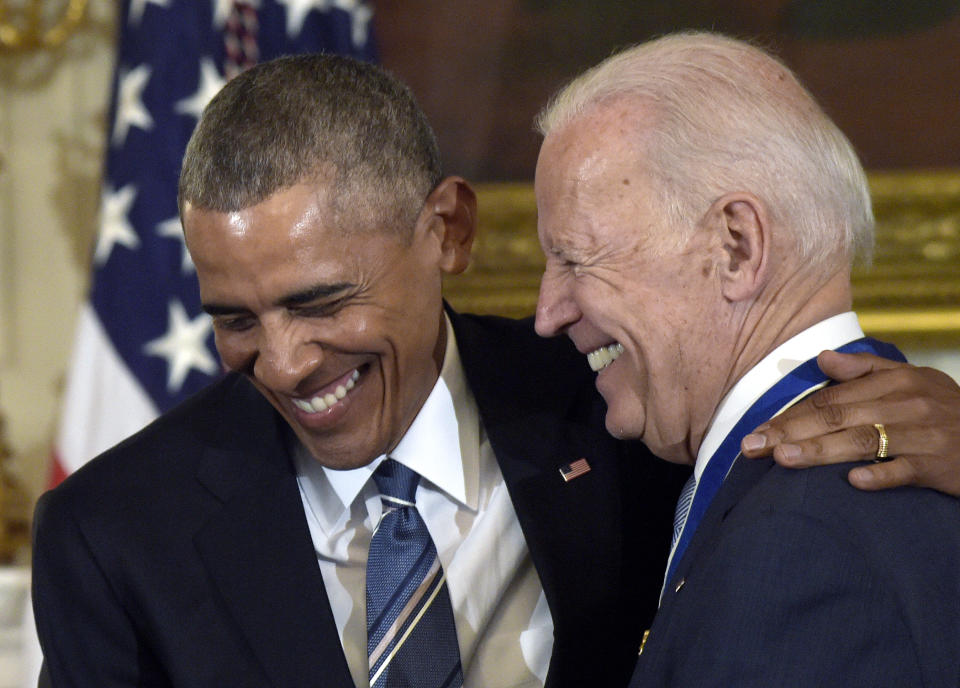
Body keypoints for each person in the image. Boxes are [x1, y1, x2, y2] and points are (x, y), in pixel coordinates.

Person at [31, 52, 960, 688]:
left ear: (448, 230)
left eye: (320, 302)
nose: (281, 362)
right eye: (235, 319)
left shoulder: (619, 409)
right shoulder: (113, 536)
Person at [532, 31, 960, 687]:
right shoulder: (884, 474)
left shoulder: (799, 544)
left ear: (737, 246)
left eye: (577, 259)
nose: (549, 311)